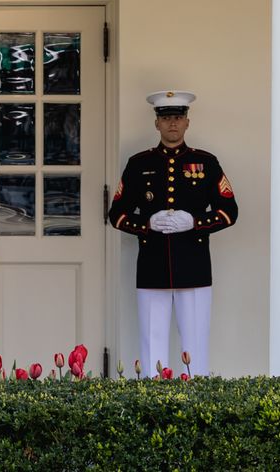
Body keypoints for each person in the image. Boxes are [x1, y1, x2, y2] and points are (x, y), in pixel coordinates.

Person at [107, 90, 238, 377]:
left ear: (187, 122)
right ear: (157, 124)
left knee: (196, 349)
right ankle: (155, 407)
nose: (173, 124)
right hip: (153, 267)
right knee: (151, 346)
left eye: (178, 117)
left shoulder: (205, 162)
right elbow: (116, 215)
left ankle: (196, 406)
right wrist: (147, 224)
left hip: (194, 267)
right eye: (166, 118)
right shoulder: (139, 164)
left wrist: (195, 221)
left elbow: (229, 211)